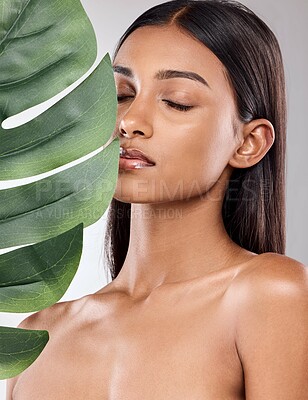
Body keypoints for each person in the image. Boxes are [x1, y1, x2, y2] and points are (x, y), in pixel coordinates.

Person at [7, 0, 308, 398]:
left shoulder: (270, 295)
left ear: (249, 143)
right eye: (121, 94)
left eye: (177, 101)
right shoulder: (39, 335)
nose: (130, 121)